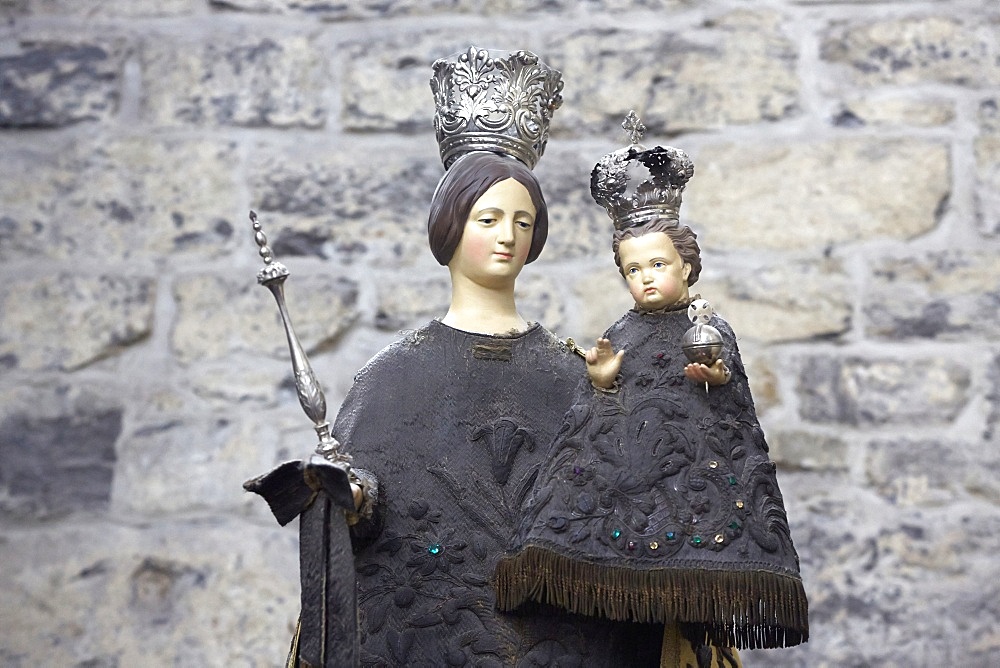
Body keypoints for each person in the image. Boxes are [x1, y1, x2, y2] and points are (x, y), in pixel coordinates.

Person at [332, 54, 664, 665]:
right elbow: (362, 515)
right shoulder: (390, 378)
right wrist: (351, 497)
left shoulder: (575, 372)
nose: (507, 236)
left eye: (522, 221)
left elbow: (626, 511)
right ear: (450, 225)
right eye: (488, 218)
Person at [494, 118, 808, 667]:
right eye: (632, 269)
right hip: (626, 485)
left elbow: (726, 384)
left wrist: (713, 375)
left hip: (694, 478)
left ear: (687, 265)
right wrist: (600, 379)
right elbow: (600, 409)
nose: (645, 279)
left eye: (657, 265)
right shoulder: (623, 331)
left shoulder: (706, 323)